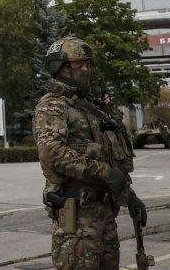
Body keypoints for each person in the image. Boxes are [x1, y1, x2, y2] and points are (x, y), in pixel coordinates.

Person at [34, 37, 146, 270]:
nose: (86, 70)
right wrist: (105, 173)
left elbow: (108, 158)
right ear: (61, 68)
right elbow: (53, 155)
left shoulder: (89, 108)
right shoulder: (53, 106)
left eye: (88, 64)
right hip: (77, 218)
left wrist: (129, 196)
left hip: (103, 214)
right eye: (78, 65)